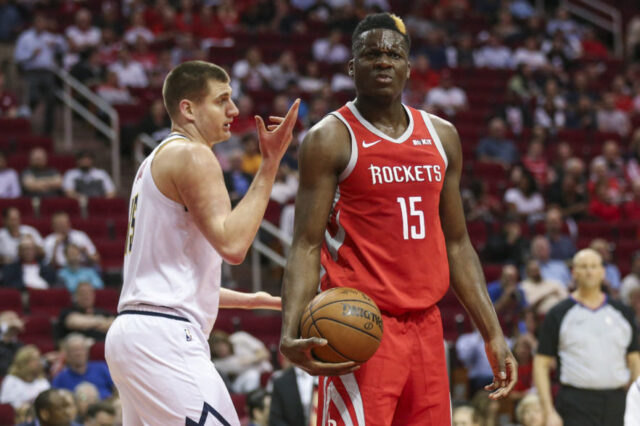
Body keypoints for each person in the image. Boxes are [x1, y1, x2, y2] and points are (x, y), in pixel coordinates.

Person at [279, 14, 516, 426]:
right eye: (371, 54)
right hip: (359, 325)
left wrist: (492, 332)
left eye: (394, 54)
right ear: (352, 66)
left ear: (409, 66)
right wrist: (290, 329)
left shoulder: (441, 136)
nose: (384, 61)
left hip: (427, 325)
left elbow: (458, 244)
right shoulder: (330, 138)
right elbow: (306, 244)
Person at [104, 60, 298, 425]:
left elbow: (168, 276)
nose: (234, 110)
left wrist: (256, 300)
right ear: (188, 109)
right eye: (221, 100)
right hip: (163, 339)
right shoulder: (194, 154)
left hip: (136, 333)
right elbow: (234, 245)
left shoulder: (154, 162)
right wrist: (270, 164)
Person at [534, 249, 640, 426]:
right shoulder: (558, 314)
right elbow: (541, 363)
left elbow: (635, 360)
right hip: (575, 402)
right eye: (583, 267)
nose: (589, 271)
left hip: (617, 401)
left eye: (593, 266)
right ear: (574, 272)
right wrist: (548, 411)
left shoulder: (623, 313)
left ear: (602, 272)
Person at [52, 333, 114, 400]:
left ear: (87, 351)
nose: (78, 353)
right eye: (74, 351)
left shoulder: (101, 368)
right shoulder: (60, 378)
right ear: (67, 354)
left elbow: (117, 388)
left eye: (81, 349)